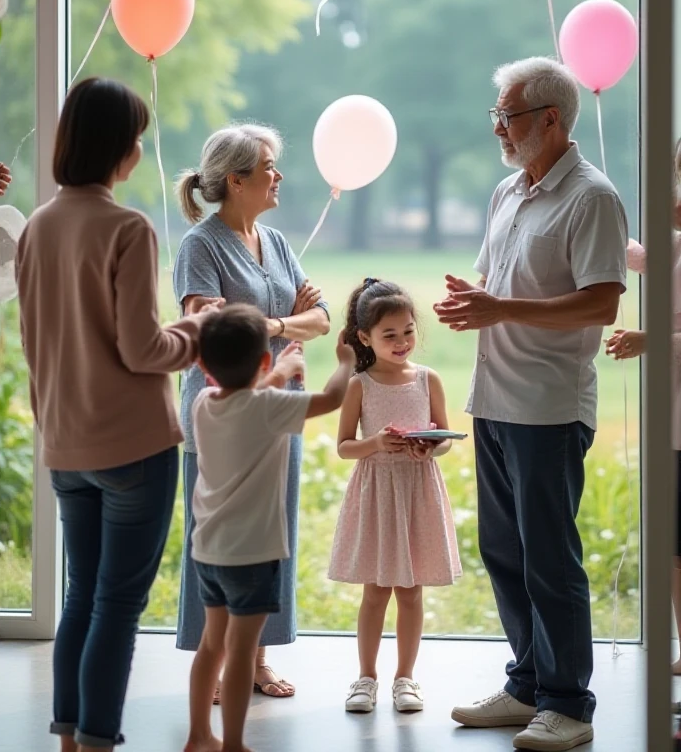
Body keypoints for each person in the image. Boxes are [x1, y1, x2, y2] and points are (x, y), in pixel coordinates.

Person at [435, 58, 627, 752]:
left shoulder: (593, 197)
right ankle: (527, 687)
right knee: (505, 553)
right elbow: (502, 284)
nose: (497, 130)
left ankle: (569, 704)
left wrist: (499, 306)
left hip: (548, 406)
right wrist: (474, 298)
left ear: (551, 119)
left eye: (507, 117)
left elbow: (602, 301)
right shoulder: (506, 192)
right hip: (493, 399)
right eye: (496, 117)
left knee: (549, 560)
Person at [15, 78, 209, 752]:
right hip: (132, 448)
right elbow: (143, 349)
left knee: (81, 598)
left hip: (65, 446)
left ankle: (69, 739)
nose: (138, 147)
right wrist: (198, 332)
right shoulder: (128, 228)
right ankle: (99, 740)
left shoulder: (39, 224)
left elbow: (38, 339)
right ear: (120, 149)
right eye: (135, 136)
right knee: (117, 606)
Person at [174, 123, 330, 701]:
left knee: (271, 534)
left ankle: (257, 661)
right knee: (214, 540)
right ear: (236, 180)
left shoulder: (278, 242)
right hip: (220, 415)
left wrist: (270, 323)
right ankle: (214, 662)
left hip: (277, 410)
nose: (279, 175)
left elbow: (322, 318)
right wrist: (285, 321)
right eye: (269, 166)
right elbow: (207, 323)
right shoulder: (201, 245)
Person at [184, 305, 355, 752]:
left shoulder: (203, 404)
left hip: (207, 551)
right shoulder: (271, 408)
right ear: (263, 360)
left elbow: (249, 397)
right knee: (242, 652)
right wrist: (344, 362)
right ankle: (235, 744)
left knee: (211, 646)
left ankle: (199, 734)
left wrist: (278, 372)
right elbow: (332, 399)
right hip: (253, 557)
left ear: (202, 366)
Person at [329, 278, 461, 715]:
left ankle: (406, 678)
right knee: (375, 591)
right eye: (390, 335)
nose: (402, 341)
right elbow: (345, 445)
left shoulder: (429, 379)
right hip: (378, 493)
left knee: (410, 591)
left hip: (417, 490)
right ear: (365, 337)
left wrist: (431, 447)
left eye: (407, 331)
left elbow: (443, 434)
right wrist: (376, 444)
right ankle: (365, 677)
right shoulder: (359, 384)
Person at [605, 139, 681, 675]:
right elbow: (640, 255)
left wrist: (650, 339)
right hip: (672, 425)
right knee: (675, 547)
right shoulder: (675, 239)